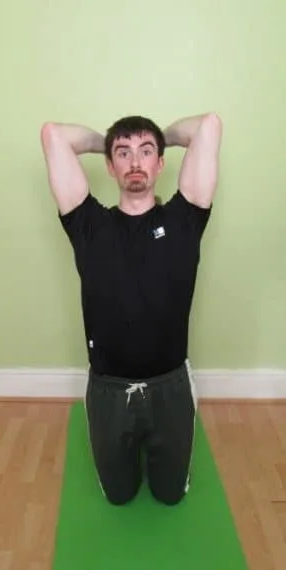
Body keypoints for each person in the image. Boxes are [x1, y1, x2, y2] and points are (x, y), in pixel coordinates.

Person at [40, 112, 223, 505]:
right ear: (109, 165)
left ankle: (172, 456)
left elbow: (209, 125)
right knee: (118, 496)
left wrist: (165, 137)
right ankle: (122, 459)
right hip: (109, 388)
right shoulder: (88, 224)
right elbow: (52, 135)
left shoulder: (184, 218)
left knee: (170, 495)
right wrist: (104, 141)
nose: (135, 162)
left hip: (170, 385)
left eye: (145, 152)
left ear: (160, 164)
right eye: (122, 153)